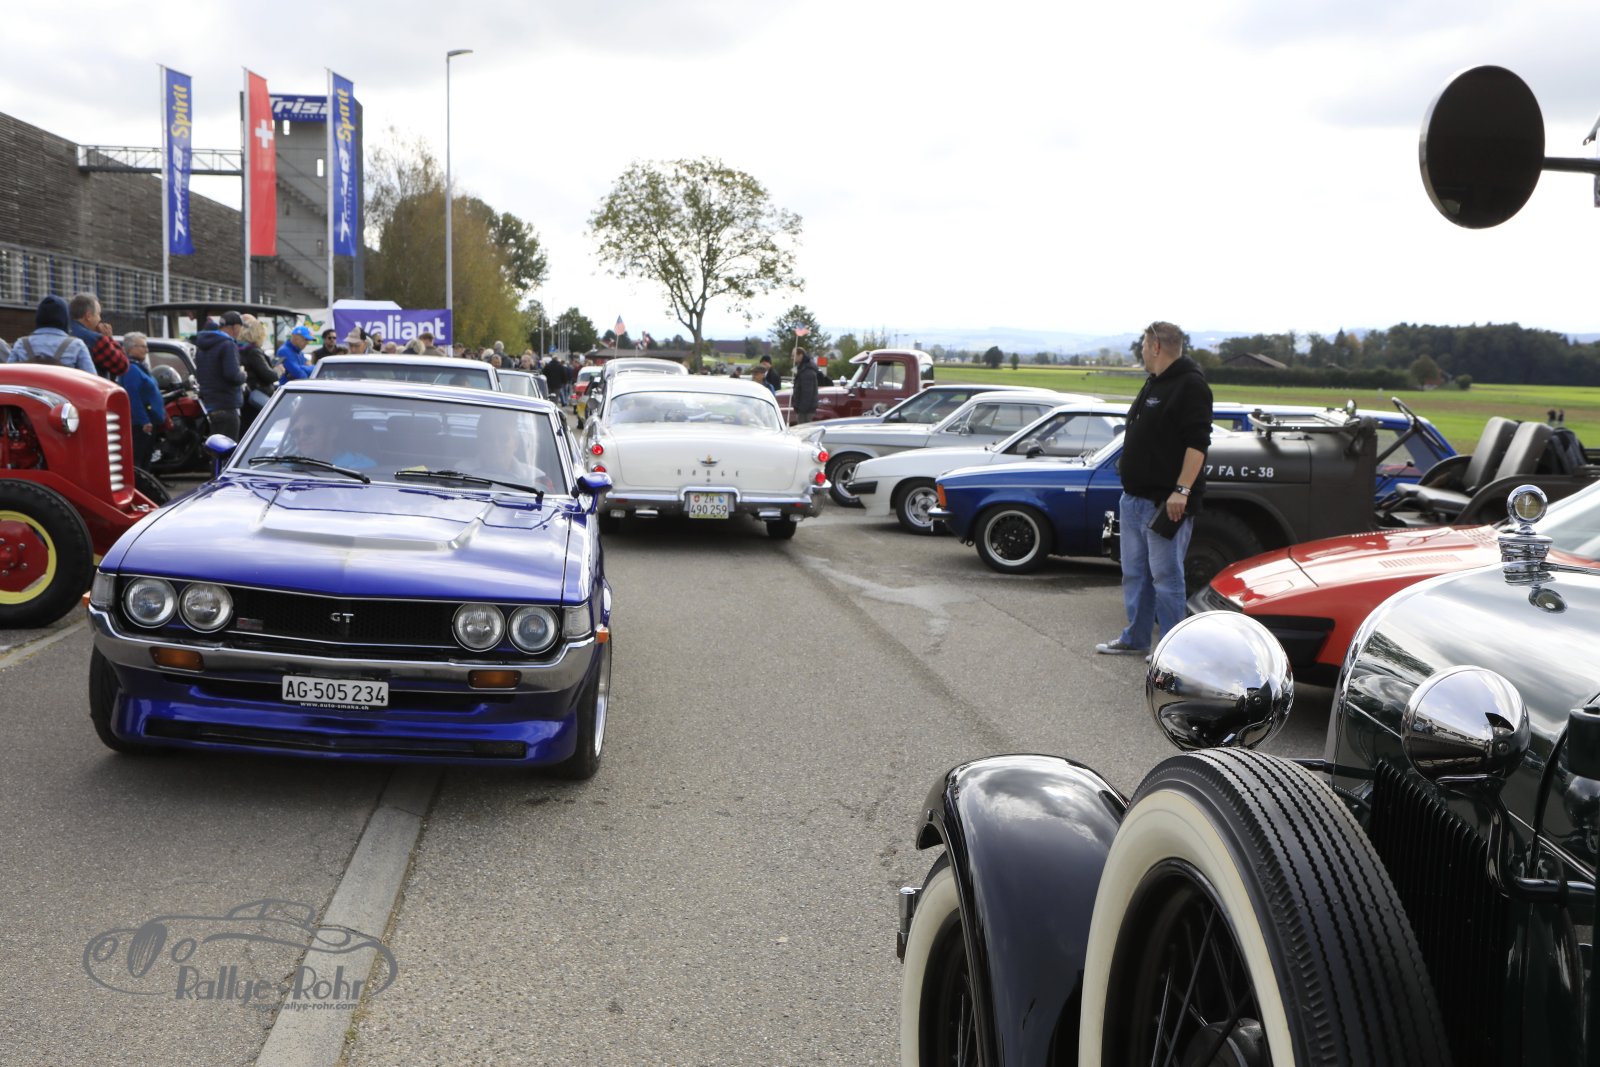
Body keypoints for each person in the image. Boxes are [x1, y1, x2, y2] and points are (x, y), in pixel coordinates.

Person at [1096, 321, 1213, 657]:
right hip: (1134, 499)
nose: (1142, 352)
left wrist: (1182, 491)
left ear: (1157, 347)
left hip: (1164, 503)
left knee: (1166, 578)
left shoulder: (1191, 385)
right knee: (1135, 574)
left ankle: (1174, 650)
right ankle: (1136, 638)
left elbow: (1197, 444)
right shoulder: (1155, 382)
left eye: (1144, 346)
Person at [194, 311, 249, 439]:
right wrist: (243, 374)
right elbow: (233, 375)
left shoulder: (202, 346)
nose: (240, 332)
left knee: (217, 446)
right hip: (227, 405)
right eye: (240, 328)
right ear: (234, 327)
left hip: (211, 406)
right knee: (228, 447)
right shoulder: (228, 344)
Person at [7, 296, 95, 372]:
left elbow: (7, 377)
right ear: (65, 319)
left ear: (38, 318)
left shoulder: (21, 344)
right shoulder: (77, 345)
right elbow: (92, 380)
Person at [119, 332, 167, 468]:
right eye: (143, 346)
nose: (146, 350)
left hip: (149, 421)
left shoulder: (140, 367)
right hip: (141, 425)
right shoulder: (131, 369)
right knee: (139, 460)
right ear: (131, 348)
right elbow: (133, 397)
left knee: (146, 459)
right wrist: (143, 420)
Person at [68, 293, 129, 379]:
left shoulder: (62, 331)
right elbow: (122, 366)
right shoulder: (95, 340)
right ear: (88, 316)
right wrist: (108, 339)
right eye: (98, 314)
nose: (100, 319)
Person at [238, 315, 278, 424]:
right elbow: (268, 375)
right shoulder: (254, 351)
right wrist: (277, 372)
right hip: (256, 397)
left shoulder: (239, 348)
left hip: (246, 397)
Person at [790, 347, 821, 424]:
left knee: (803, 428)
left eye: (794, 355)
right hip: (804, 409)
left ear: (800, 355)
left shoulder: (807, 371)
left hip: (805, 412)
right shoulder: (803, 369)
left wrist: (801, 409)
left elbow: (807, 393)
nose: (792, 358)